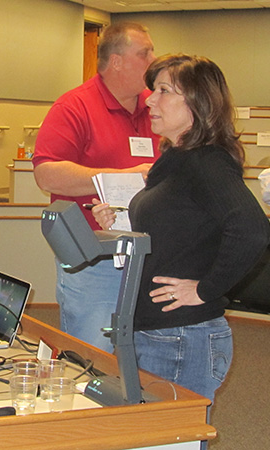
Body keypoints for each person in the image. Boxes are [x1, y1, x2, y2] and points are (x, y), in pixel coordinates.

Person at [91, 54, 270, 402]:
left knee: (172, 439)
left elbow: (252, 230)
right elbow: (183, 226)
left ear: (198, 103)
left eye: (163, 91)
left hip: (182, 335)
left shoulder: (207, 162)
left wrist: (205, 290)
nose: (150, 100)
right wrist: (120, 218)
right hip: (157, 329)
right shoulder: (177, 159)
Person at [32, 23, 160, 352]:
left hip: (150, 254)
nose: (154, 59)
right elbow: (47, 174)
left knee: (145, 358)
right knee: (91, 357)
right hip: (93, 257)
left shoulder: (157, 106)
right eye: (145, 53)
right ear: (116, 62)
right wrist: (123, 178)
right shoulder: (74, 107)